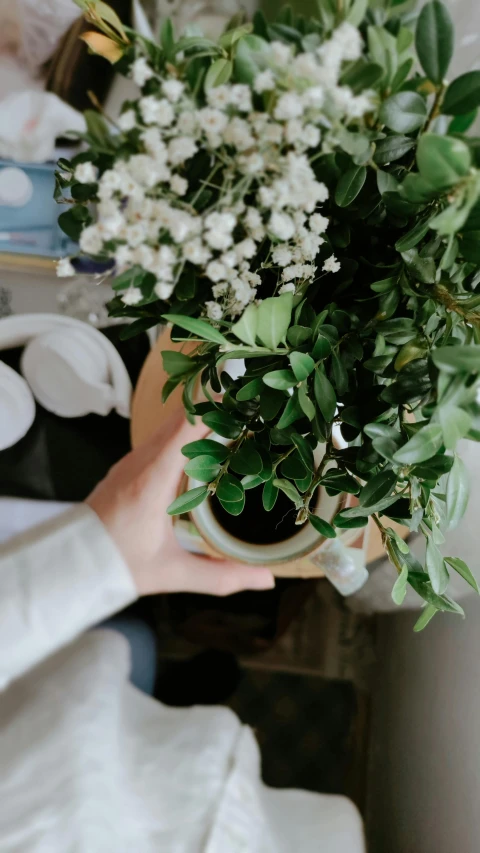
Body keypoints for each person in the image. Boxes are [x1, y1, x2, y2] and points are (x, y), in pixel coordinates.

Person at [0, 413, 364, 852]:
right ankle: (172, 692)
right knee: (132, 641)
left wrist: (103, 554)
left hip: (53, 740)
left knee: (132, 641)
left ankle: (168, 694)